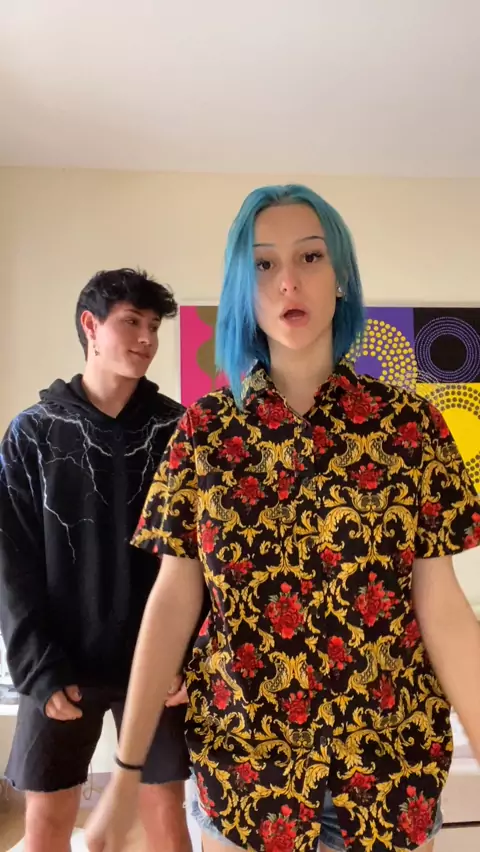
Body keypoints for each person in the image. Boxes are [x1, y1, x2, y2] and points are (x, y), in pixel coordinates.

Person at [85, 188, 480, 852]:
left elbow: (441, 605)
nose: (288, 280)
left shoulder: (411, 427)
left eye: (310, 257)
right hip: (246, 778)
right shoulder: (204, 433)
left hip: (389, 775)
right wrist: (126, 772)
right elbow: (174, 601)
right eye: (263, 264)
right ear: (243, 289)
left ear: (340, 275)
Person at [0, 269, 196, 852]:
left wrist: (186, 655)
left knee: (167, 820)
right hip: (60, 663)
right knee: (46, 826)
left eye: (153, 326)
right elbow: (12, 561)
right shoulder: (32, 433)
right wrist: (37, 666)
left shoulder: (177, 430)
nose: (146, 338)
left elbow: (198, 556)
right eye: (131, 322)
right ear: (91, 325)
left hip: (156, 663)